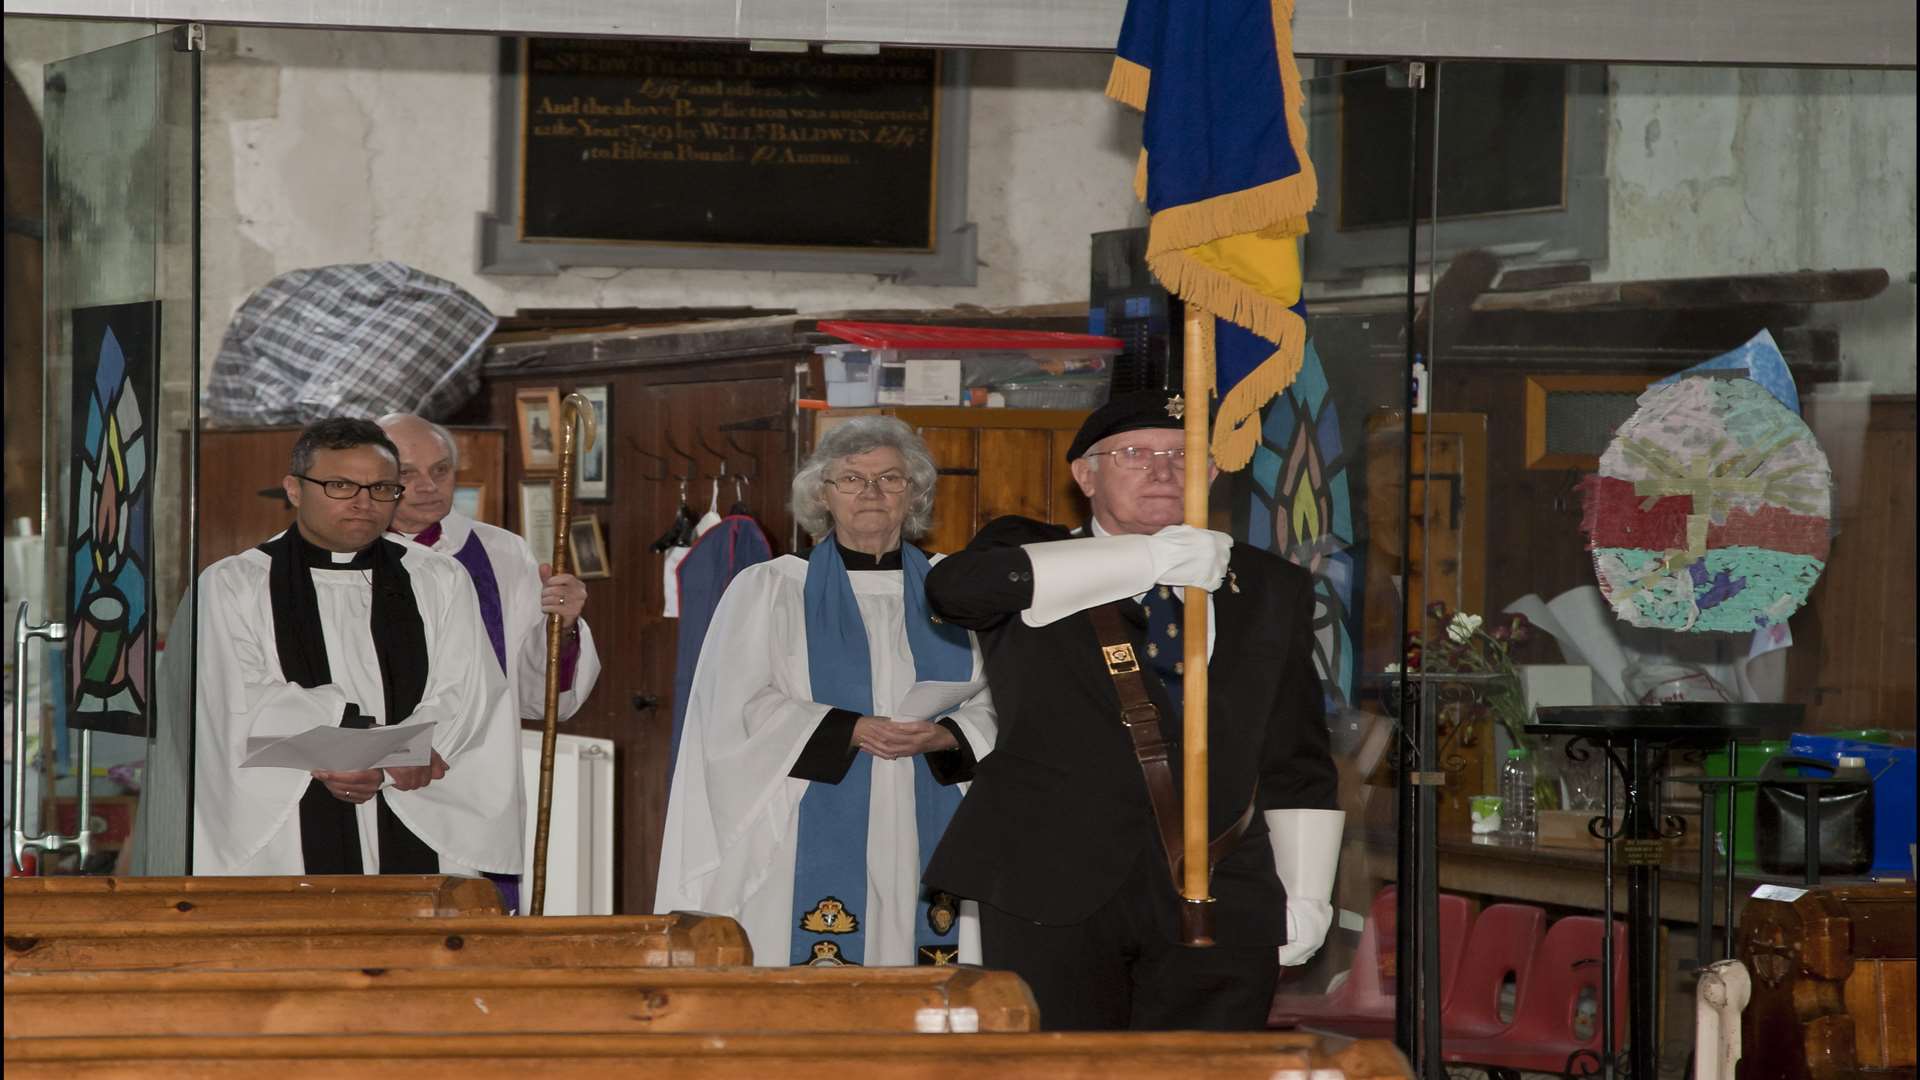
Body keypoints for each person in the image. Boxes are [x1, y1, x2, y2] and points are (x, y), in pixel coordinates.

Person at [922, 389, 1343, 1031]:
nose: (1161, 468)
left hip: (1222, 882)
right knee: (1065, 1076)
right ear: (1084, 475)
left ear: (1208, 473)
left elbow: (1294, 754)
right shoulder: (1027, 553)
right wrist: (1148, 559)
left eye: (1181, 455)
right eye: (1133, 453)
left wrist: (1309, 890)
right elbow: (953, 592)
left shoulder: (1265, 585)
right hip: (1053, 880)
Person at [655, 416, 997, 968]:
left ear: (914, 494)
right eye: (852, 479)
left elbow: (1000, 697)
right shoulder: (770, 588)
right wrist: (846, 728)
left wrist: (947, 735)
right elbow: (734, 705)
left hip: (935, 802)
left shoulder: (955, 588)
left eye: (890, 479)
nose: (872, 492)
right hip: (804, 806)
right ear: (822, 494)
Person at [192, 418, 523, 878]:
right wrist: (357, 748)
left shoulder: (438, 578)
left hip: (413, 807)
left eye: (382, 488)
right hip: (291, 818)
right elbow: (239, 700)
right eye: (341, 485)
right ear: (293, 489)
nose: (364, 503)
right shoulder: (234, 584)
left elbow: (468, 692)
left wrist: (386, 764)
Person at [376, 414, 600, 725]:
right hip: (372, 758)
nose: (428, 486)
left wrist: (560, 630)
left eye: (441, 470)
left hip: (482, 757)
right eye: (406, 473)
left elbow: (538, 697)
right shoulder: (342, 554)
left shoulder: (503, 552)